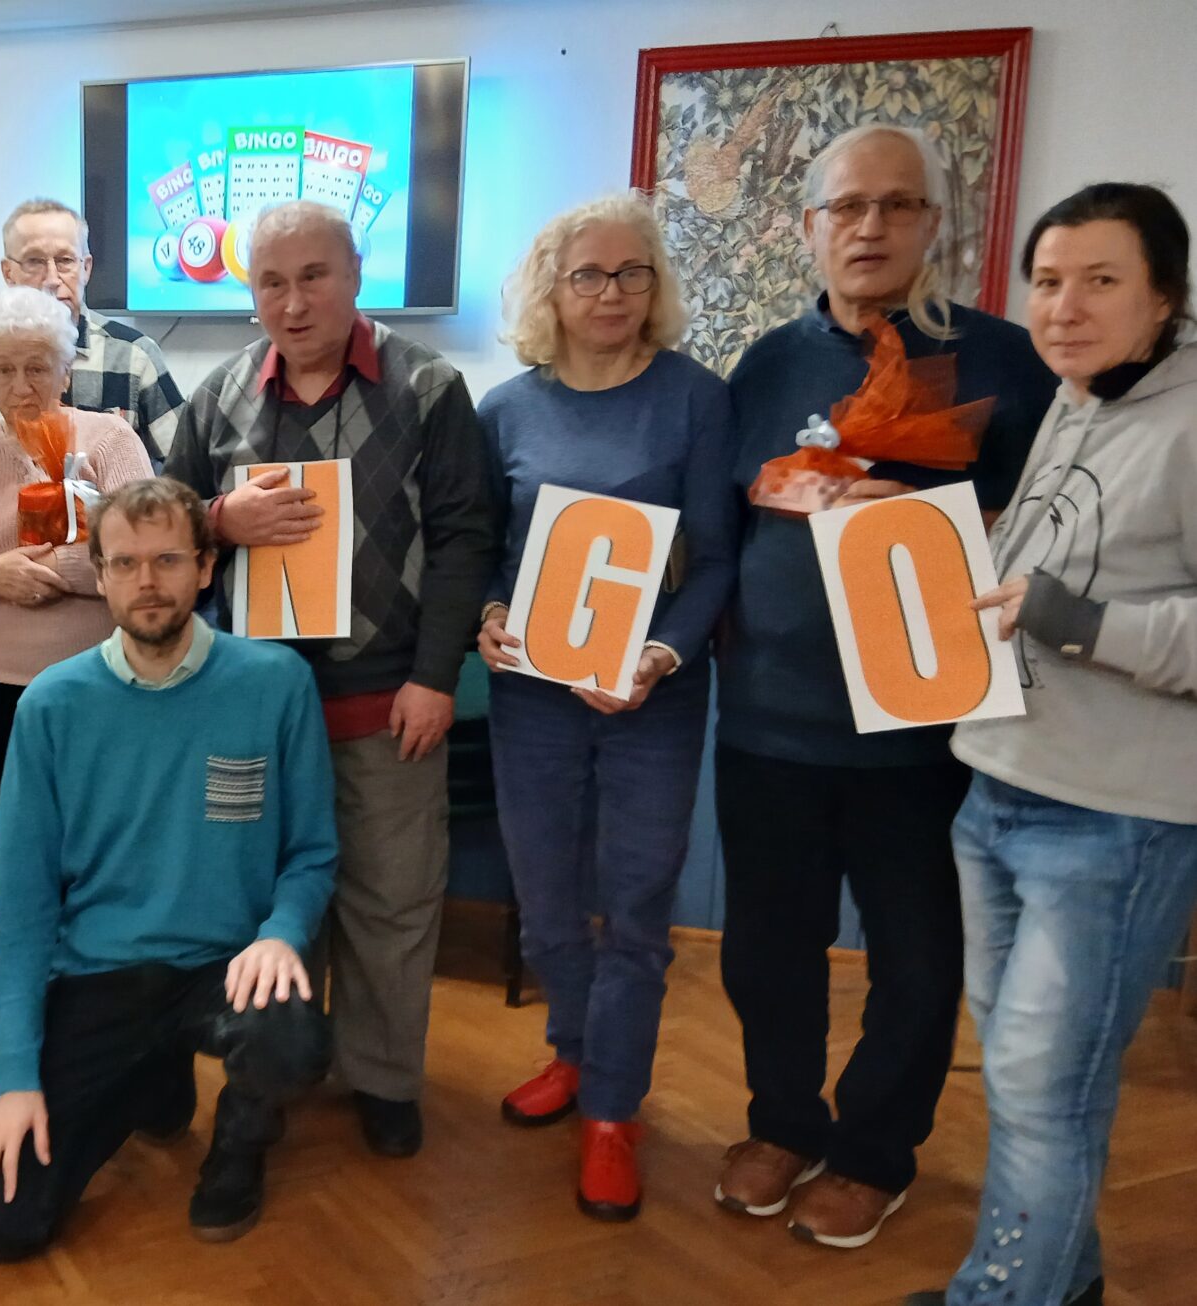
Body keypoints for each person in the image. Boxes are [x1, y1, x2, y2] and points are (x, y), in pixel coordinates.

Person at [712, 124, 1055, 1248]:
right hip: (767, 722)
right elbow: (725, 520)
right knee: (767, 950)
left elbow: (1051, 526)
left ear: (933, 225)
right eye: (847, 206)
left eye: (897, 205)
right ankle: (781, 1122)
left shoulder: (1004, 360)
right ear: (808, 227)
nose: (870, 227)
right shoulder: (765, 364)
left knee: (916, 956)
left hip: (923, 732)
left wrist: (916, 516)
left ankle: (873, 1150)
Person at [902, 184, 1197, 1306]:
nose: (1064, 307)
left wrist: (1079, 621)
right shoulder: (1078, 397)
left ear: (1163, 296)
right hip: (999, 786)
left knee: (1041, 1088)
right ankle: (1055, 1281)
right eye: (1047, 281)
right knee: (1035, 1083)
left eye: (1100, 281)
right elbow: (1052, 558)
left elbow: (1077, 604)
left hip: (1114, 818)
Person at [164, 199, 497, 1158]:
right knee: (267, 905)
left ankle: (384, 1078)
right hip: (252, 711)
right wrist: (218, 521)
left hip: (387, 701)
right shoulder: (218, 394)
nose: (294, 301)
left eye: (314, 276)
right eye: (272, 282)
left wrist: (437, 676)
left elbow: (465, 538)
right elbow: (164, 519)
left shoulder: (429, 387)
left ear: (355, 275)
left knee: (392, 900)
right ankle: (275, 1071)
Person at [0, 478, 335, 1259]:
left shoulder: (274, 682)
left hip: (227, 967)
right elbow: (21, 914)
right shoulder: (52, 706)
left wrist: (282, 933)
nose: (147, 581)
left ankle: (239, 1146)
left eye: (168, 559)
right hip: (101, 976)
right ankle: (153, 1076)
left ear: (205, 566)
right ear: (98, 576)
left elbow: (311, 851)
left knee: (291, 1035)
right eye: (125, 563)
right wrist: (13, 1081)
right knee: (0, 1222)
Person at [475, 194, 738, 1220]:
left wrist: (662, 656)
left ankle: (613, 1112)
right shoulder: (506, 410)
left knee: (635, 907)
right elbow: (486, 552)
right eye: (588, 273)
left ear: (655, 286)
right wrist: (491, 616)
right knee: (545, 902)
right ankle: (575, 1053)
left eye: (633, 273)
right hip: (533, 697)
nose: (612, 292)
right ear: (552, 288)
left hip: (652, 698)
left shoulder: (695, 399)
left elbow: (716, 559)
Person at [0, 284, 152, 904]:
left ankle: (107, 948)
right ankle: (26, 943)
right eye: (4, 369)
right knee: (24, 842)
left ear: (66, 370)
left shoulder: (110, 441)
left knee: (109, 836)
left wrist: (55, 569)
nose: (22, 386)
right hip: (1, 693)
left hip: (102, 682)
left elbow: (144, 562)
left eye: (38, 367)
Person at [0, 197, 185, 465]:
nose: (52, 279)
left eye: (65, 260)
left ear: (86, 268)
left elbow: (183, 469)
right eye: (34, 261)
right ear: (8, 273)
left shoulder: (134, 356)